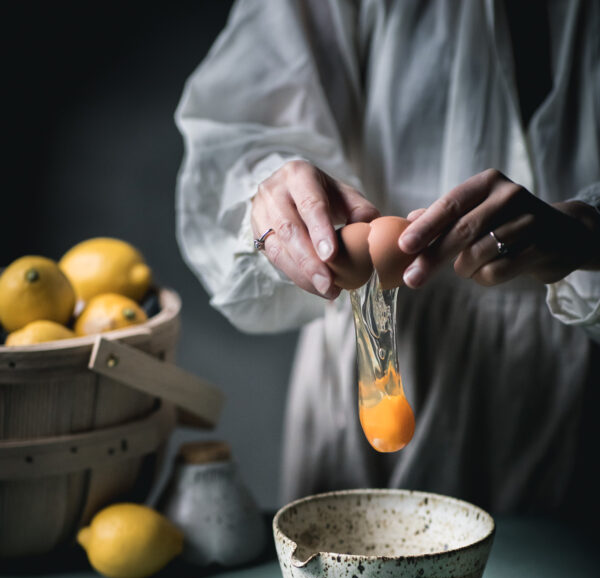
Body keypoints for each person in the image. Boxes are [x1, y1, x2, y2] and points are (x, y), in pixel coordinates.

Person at [175, 0, 600, 518]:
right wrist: (271, 189)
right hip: (374, 354)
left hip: (580, 369)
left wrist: (588, 232)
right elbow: (241, 124)